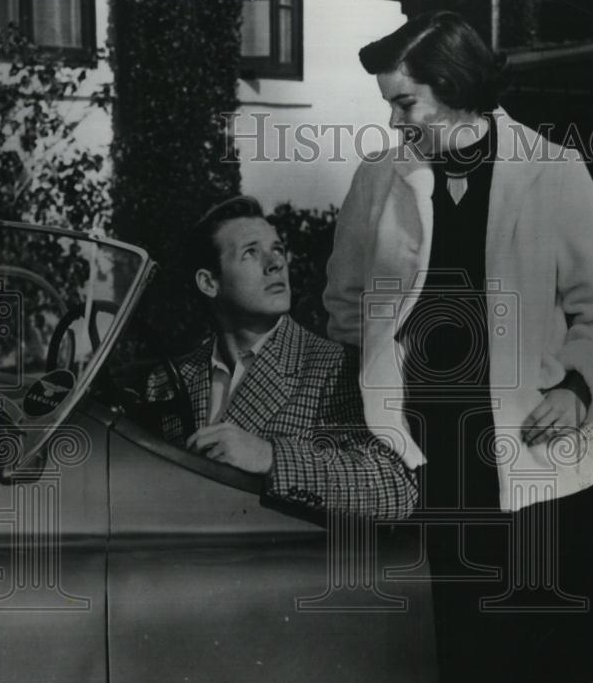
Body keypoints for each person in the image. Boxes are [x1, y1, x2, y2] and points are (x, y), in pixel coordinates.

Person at [322, 10, 593, 683]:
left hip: (548, 447)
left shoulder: (552, 173)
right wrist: (375, 378)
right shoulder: (384, 175)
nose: (395, 122)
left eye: (406, 102)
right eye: (390, 105)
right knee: (495, 648)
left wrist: (580, 389)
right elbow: (346, 298)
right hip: (444, 448)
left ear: (455, 90)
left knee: (566, 643)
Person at [146, 195, 418, 519]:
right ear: (208, 282)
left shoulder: (337, 366)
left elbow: (395, 487)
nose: (275, 263)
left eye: (277, 249)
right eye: (251, 252)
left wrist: (270, 456)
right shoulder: (166, 380)